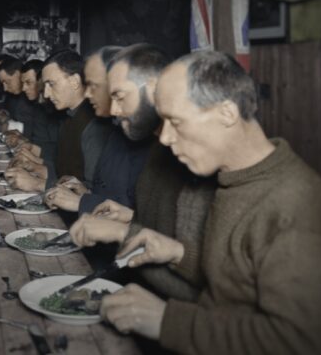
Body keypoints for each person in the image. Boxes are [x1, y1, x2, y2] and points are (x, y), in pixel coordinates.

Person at [88, 50, 321, 353]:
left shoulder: (297, 205)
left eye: (176, 121)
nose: (164, 138)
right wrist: (179, 254)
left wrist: (167, 321)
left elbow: (301, 342)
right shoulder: (236, 179)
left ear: (226, 113)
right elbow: (239, 278)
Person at [69, 43, 213, 302]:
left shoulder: (196, 158)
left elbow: (205, 275)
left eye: (119, 96)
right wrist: (128, 217)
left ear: (154, 86)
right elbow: (161, 235)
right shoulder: (158, 149)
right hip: (139, 289)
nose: (113, 110)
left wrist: (122, 230)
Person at [44, 45, 151, 213]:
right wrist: (86, 193)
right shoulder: (117, 130)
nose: (86, 94)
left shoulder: (140, 137)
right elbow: (112, 194)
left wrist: (82, 202)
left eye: (93, 85)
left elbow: (140, 215)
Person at [5, 49, 110, 194]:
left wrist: (38, 184)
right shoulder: (69, 116)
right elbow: (67, 172)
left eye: (51, 84)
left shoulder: (94, 126)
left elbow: (92, 191)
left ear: (74, 82)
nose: (46, 94)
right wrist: (35, 168)